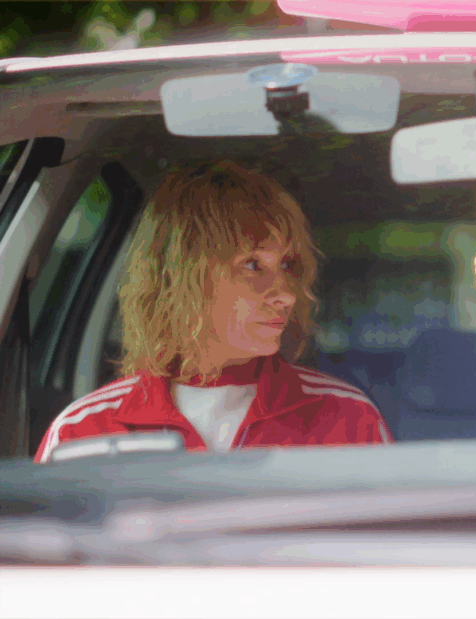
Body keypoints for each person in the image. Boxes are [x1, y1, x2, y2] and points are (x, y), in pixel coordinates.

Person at [35, 160, 392, 463]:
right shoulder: (82, 434)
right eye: (252, 265)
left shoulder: (349, 419)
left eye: (287, 265)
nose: (285, 294)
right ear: (182, 277)